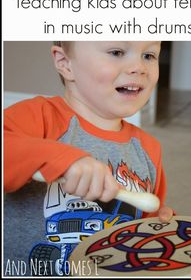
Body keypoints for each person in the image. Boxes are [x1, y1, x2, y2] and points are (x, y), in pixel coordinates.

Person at [4, 41, 173, 276]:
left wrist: (161, 224)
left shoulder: (148, 149)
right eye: (116, 52)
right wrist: (63, 159)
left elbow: (145, 218)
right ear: (66, 64)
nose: (139, 67)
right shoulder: (38, 117)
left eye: (149, 55)